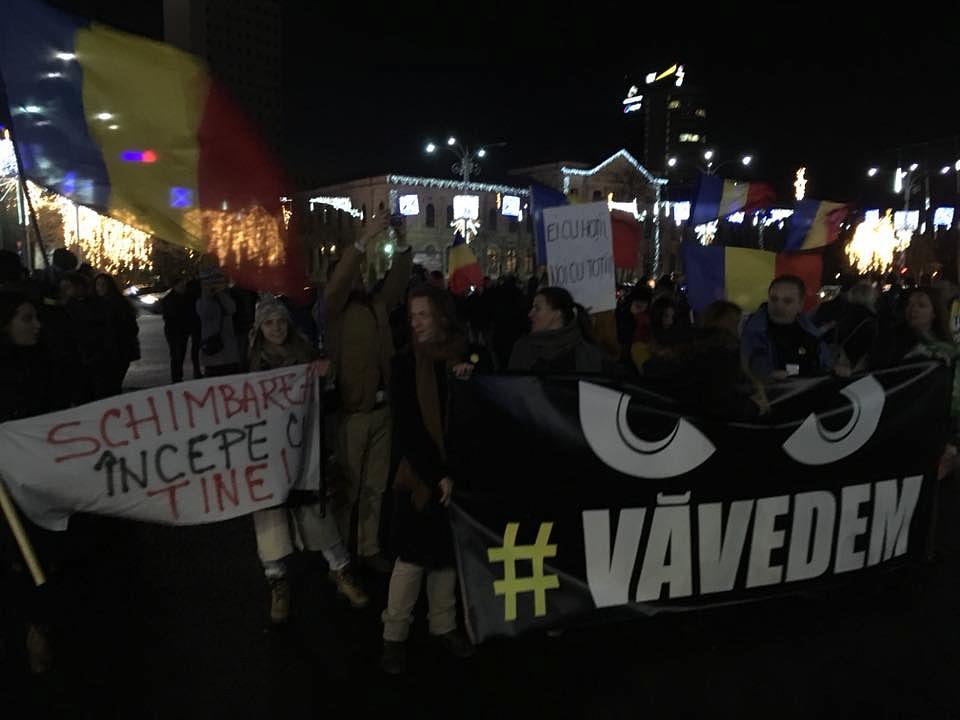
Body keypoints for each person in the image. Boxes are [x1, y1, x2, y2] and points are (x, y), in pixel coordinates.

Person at [246, 297, 368, 623]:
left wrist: (326, 377)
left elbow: (329, 401)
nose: (276, 328)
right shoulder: (253, 366)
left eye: (280, 322)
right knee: (271, 520)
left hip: (305, 450)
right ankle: (277, 581)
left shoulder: (307, 355)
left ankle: (340, 570)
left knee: (316, 510)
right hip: (268, 455)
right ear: (260, 328)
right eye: (269, 323)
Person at [380, 285, 477, 674]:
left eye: (423, 314)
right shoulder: (405, 364)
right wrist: (437, 476)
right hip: (419, 477)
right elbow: (408, 429)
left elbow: (476, 413)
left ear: (441, 316)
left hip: (459, 472)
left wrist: (469, 379)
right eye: (412, 315)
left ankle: (444, 624)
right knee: (411, 558)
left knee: (446, 556)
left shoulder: (464, 355)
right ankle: (394, 634)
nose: (416, 322)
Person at [324, 215, 412, 572]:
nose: (358, 278)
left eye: (360, 275)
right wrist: (363, 240)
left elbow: (398, 281)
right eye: (352, 275)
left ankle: (369, 547)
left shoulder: (376, 305)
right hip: (352, 412)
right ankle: (340, 556)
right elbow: (340, 282)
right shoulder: (333, 309)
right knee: (348, 489)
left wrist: (401, 242)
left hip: (382, 410)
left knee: (376, 486)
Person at [0, 290, 70, 673]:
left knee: (45, 553)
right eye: (26, 318)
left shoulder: (48, 364)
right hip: (8, 488)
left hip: (46, 480)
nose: (37, 325)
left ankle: (39, 627)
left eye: (37, 317)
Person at [741, 275, 833, 380]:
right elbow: (749, 369)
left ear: (800, 304)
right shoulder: (753, 333)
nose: (779, 306)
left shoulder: (811, 333)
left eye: (787, 301)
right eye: (774, 299)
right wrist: (768, 375)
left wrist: (836, 369)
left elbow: (827, 364)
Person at [508, 286, 615, 374]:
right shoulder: (522, 348)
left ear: (557, 314)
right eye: (532, 308)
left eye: (537, 308)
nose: (530, 314)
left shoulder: (588, 353)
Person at [94, 272, 140, 393]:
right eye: (98, 284)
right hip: (104, 352)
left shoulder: (119, 304)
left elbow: (131, 327)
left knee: (113, 384)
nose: (100, 288)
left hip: (119, 350)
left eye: (103, 284)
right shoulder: (95, 305)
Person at [195, 268, 240, 377]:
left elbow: (232, 309)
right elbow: (206, 312)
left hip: (229, 352)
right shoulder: (200, 301)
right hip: (212, 351)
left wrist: (221, 294)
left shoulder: (227, 297)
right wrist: (207, 295)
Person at [160, 272, 202, 383]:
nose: (183, 285)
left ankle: (182, 375)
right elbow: (170, 316)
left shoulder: (188, 295)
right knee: (177, 354)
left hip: (185, 328)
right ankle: (177, 377)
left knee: (185, 352)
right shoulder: (170, 299)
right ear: (175, 286)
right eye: (180, 284)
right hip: (175, 331)